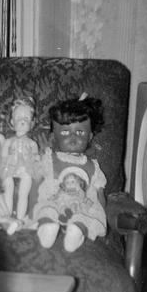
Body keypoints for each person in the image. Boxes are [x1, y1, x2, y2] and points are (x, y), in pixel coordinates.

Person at [35, 94, 109, 235]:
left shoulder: (93, 167)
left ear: (90, 136)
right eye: (65, 132)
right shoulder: (49, 159)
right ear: (53, 136)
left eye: (80, 132)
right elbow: (35, 178)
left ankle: (75, 234)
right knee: (47, 211)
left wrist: (103, 216)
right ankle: (47, 230)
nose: (73, 138)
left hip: (80, 209)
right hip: (54, 204)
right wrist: (39, 154)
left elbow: (100, 196)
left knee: (82, 220)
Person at [34, 167, 107, 252]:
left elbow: (88, 203)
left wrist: (88, 206)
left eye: (73, 182)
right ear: (64, 185)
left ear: (80, 183)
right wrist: (53, 198)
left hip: (75, 211)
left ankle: (74, 235)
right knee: (50, 210)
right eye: (67, 182)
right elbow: (55, 198)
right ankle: (48, 230)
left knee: (79, 217)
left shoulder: (81, 195)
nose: (70, 184)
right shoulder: (62, 193)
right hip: (61, 209)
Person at [0, 97, 42, 221]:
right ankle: (7, 215)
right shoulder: (8, 141)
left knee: (25, 189)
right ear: (12, 122)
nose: (22, 121)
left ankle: (20, 217)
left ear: (32, 123)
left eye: (27, 118)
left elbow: (35, 156)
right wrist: (4, 167)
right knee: (7, 184)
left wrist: (36, 158)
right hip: (10, 167)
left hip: (25, 168)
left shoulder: (32, 143)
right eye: (18, 118)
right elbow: (3, 157)